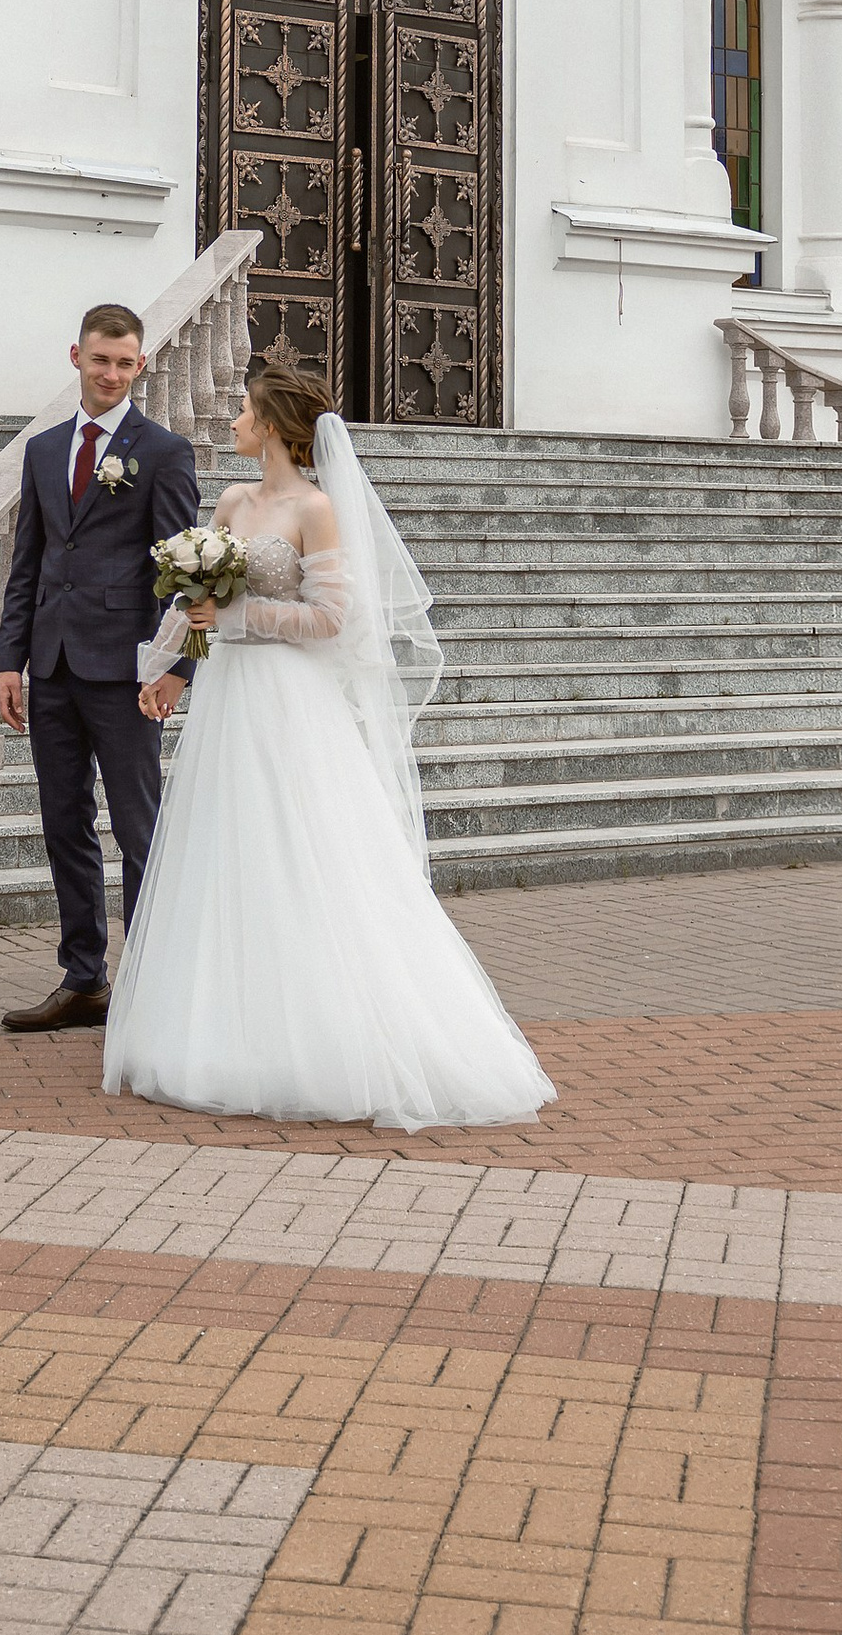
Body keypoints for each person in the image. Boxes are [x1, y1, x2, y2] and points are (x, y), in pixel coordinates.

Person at [109, 356, 552, 1134]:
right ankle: (222, 1032)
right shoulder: (233, 500)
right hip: (229, 704)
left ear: (274, 425)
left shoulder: (315, 509)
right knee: (229, 853)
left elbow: (332, 620)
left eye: (245, 411)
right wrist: (163, 669)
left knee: (303, 851)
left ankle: (323, 1035)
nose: (235, 421)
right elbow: (194, 600)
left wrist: (240, 620)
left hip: (290, 703)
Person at [0, 303, 199, 1031]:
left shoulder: (165, 451)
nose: (111, 373)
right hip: (49, 665)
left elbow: (189, 576)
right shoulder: (45, 449)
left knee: (139, 829)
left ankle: (148, 981)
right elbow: (29, 564)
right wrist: (8, 660)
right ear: (75, 356)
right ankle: (84, 979)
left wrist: (181, 669)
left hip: (127, 676)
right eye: (100, 359)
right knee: (63, 823)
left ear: (140, 366)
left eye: (125, 362)